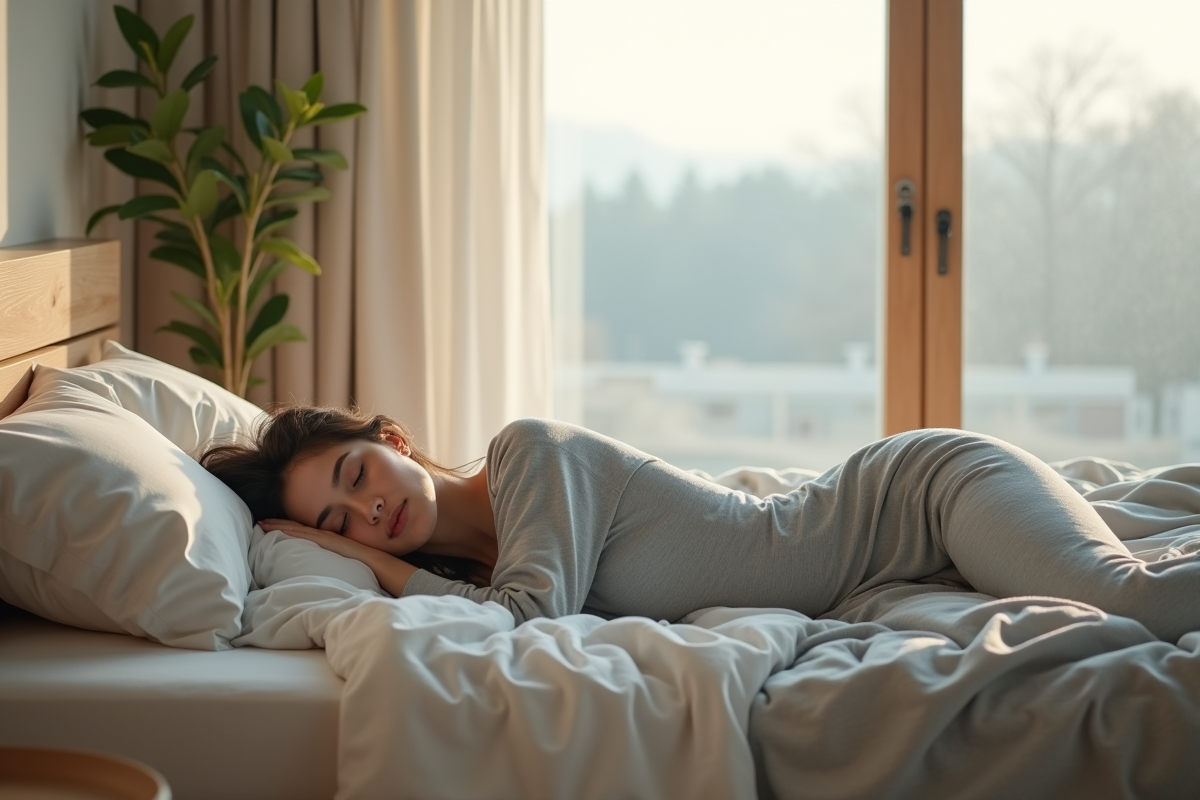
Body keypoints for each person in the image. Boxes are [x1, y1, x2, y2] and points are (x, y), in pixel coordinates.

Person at [201, 404, 1200, 642]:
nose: (371, 508)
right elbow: (498, 604)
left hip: (922, 493)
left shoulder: (528, 455)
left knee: (1129, 603)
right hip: (900, 565)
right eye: (347, 520)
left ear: (390, 435)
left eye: (357, 473)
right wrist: (338, 558)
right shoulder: (476, 563)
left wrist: (354, 559)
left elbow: (528, 613)